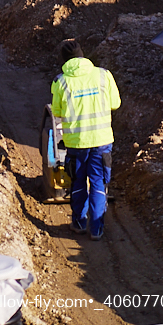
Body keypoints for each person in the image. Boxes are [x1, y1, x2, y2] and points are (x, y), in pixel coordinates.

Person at [51, 40, 121, 241]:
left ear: (64, 61)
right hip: (101, 140)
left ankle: (79, 223)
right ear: (83, 55)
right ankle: (97, 228)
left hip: (76, 142)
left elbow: (56, 112)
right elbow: (115, 103)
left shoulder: (60, 81)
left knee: (78, 181)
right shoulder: (103, 75)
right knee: (98, 182)